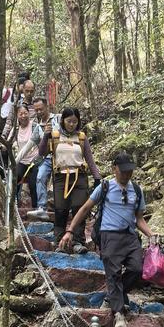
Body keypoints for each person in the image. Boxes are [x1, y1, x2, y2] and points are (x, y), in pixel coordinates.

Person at [59, 150, 151, 327]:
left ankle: (113, 295)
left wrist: (151, 234)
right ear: (114, 168)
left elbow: (139, 218)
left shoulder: (137, 190)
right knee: (114, 274)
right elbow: (85, 208)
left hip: (130, 237)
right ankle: (119, 315)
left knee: (137, 269)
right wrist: (69, 231)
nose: (126, 174)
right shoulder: (105, 187)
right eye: (123, 170)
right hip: (109, 236)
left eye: (129, 171)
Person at [38, 107, 100, 250]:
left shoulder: (82, 137)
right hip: (60, 177)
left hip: (79, 177)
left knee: (79, 208)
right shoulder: (55, 136)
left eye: (74, 122)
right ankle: (59, 240)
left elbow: (90, 160)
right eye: (69, 121)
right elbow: (42, 152)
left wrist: (97, 177)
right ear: (63, 121)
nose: (72, 124)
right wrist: (45, 137)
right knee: (61, 209)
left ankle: (78, 241)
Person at [28, 96, 59, 220]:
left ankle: (62, 207)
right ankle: (42, 208)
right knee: (40, 177)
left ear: (47, 107)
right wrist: (17, 160)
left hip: (61, 157)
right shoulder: (38, 127)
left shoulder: (58, 118)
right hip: (46, 158)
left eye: (41, 109)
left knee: (58, 182)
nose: (39, 112)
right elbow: (29, 145)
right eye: (36, 110)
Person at [11, 104, 42, 207]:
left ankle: (35, 208)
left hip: (35, 160)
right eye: (21, 114)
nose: (23, 116)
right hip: (22, 161)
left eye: (25, 113)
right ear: (17, 116)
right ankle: (14, 205)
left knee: (33, 184)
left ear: (29, 114)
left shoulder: (35, 126)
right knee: (14, 180)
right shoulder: (15, 129)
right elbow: (9, 141)